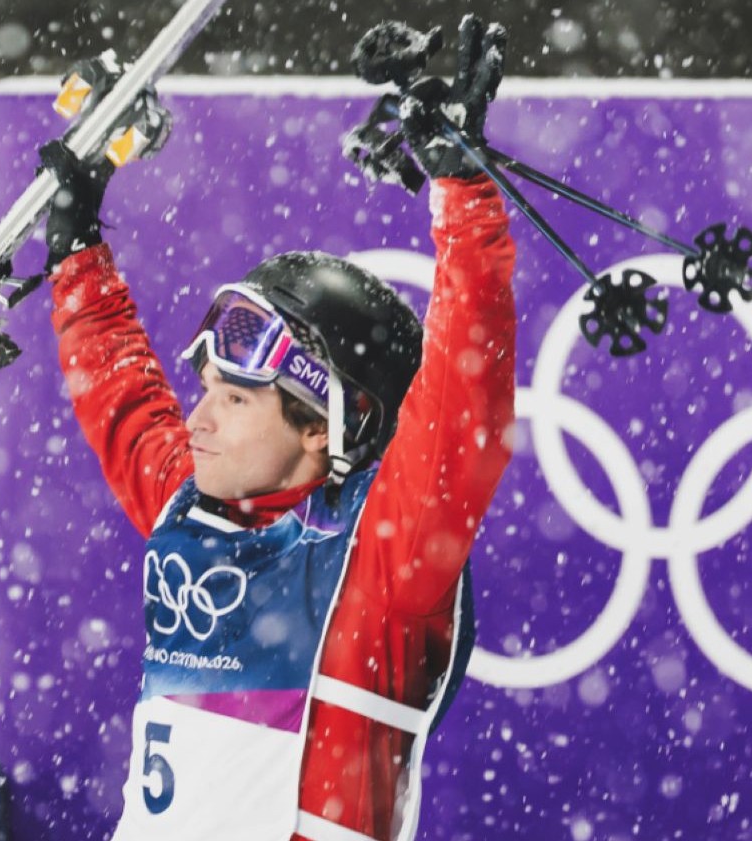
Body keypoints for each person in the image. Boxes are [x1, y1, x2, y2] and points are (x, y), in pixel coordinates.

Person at [41, 19, 513, 841]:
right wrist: (75, 249)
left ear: (324, 424)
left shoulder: (381, 566)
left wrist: (462, 197)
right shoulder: (193, 506)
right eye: (208, 386)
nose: (198, 415)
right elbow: (121, 398)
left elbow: (464, 401)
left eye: (236, 397)